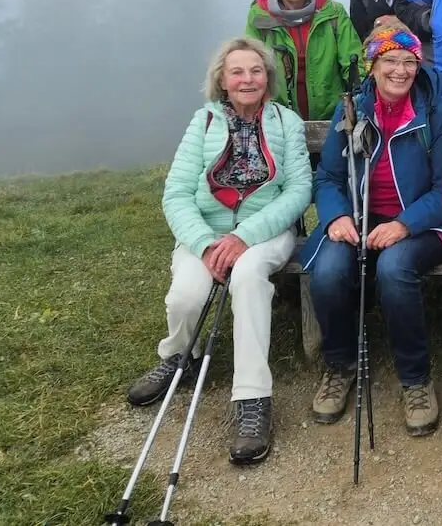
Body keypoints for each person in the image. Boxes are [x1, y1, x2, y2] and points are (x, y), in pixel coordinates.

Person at [125, 36, 312, 465]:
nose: (248, 79)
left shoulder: (286, 122)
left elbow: (299, 189)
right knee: (187, 294)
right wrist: (206, 243)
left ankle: (252, 398)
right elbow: (176, 194)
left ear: (268, 78)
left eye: (256, 71)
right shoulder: (203, 122)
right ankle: (179, 357)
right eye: (237, 72)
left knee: (248, 279)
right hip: (205, 233)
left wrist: (244, 236)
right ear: (222, 81)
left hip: (265, 232)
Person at [300, 20, 442, 435]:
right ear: (372, 65)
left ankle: (415, 380)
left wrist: (404, 224)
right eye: (390, 60)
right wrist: (337, 215)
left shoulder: (436, 114)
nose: (401, 70)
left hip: (423, 222)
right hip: (358, 219)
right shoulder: (351, 113)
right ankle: (340, 365)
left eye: (409, 61)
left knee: (394, 269)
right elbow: (327, 178)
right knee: (327, 271)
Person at [246, 0, 367, 128]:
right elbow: (250, 66)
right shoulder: (259, 17)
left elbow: (354, 64)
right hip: (276, 122)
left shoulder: (333, 13)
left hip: (333, 121)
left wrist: (359, 104)